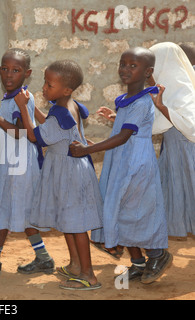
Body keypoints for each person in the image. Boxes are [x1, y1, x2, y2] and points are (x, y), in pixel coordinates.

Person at [69, 47, 172, 284]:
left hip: (136, 164)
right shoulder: (125, 101)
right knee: (118, 209)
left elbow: (125, 137)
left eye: (133, 66)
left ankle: (157, 254)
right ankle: (137, 263)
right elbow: (122, 131)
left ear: (148, 72)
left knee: (137, 212)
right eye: (122, 64)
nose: (125, 69)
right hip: (120, 161)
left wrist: (88, 150)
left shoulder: (142, 102)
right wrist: (105, 132)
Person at [15, 60, 103, 290]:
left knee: (77, 224)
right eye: (45, 82)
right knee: (69, 221)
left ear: (66, 90)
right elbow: (48, 125)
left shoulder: (61, 113)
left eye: (49, 84)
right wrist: (33, 107)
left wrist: (23, 108)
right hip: (68, 169)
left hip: (69, 172)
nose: (44, 88)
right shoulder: (65, 106)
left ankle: (89, 275)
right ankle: (75, 266)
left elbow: (36, 136)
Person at [0, 48, 54, 276]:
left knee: (23, 211)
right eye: (5, 69)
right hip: (9, 163)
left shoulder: (22, 98)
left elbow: (21, 133)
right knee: (3, 207)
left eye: (16, 70)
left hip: (21, 166)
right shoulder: (12, 97)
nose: (8, 75)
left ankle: (43, 258)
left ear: (27, 73)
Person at [148, 42, 195, 239]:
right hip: (175, 156)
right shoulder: (163, 91)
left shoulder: (183, 91)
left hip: (189, 156)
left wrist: (163, 107)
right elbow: (155, 124)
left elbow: (191, 127)